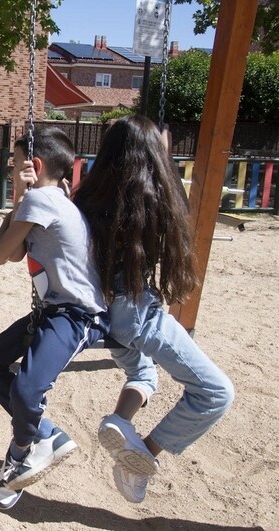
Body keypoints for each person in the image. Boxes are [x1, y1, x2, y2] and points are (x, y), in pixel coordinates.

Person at [72, 115, 234, 504]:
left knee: (144, 372)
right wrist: (162, 158)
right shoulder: (154, 201)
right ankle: (142, 454)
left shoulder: (86, 198)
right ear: (153, 157)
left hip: (103, 315)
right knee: (215, 392)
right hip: (136, 315)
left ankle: (120, 421)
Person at [0, 128, 109, 510]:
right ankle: (45, 433)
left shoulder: (41, 199)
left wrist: (21, 197)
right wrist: (22, 199)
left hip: (77, 315)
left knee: (27, 391)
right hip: (52, 310)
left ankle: (23, 448)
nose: (11, 170)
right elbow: (15, 255)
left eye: (15, 164)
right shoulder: (54, 197)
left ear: (34, 166)